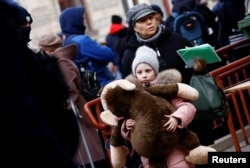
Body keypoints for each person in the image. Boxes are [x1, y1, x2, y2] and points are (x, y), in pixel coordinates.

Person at [1, 1, 79, 167]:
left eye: (29, 24)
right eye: (22, 25)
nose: (26, 28)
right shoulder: (16, 62)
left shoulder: (32, 58)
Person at [38, 35, 109, 168]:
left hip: (77, 113)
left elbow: (70, 89)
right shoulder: (63, 59)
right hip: (78, 110)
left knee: (88, 153)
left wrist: (65, 109)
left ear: (46, 50)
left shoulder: (61, 62)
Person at [121, 45, 197, 168]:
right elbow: (131, 131)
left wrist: (177, 118)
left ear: (155, 72)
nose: (144, 75)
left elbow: (188, 107)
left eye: (148, 70)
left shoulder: (166, 89)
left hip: (175, 148)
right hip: (150, 156)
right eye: (139, 72)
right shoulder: (133, 97)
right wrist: (126, 126)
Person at [121, 3, 193, 84]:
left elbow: (194, 67)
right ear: (134, 27)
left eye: (151, 18)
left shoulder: (176, 39)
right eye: (142, 20)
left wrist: (198, 67)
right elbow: (129, 87)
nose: (149, 22)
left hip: (186, 93)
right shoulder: (130, 54)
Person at [59, 6, 115, 86]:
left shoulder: (66, 41)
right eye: (82, 19)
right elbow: (108, 54)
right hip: (102, 84)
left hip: (87, 88)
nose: (84, 22)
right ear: (75, 21)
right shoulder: (81, 41)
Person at [105, 15, 128, 79]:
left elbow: (109, 50)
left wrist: (112, 63)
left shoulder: (108, 36)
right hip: (127, 59)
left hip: (116, 62)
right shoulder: (125, 31)